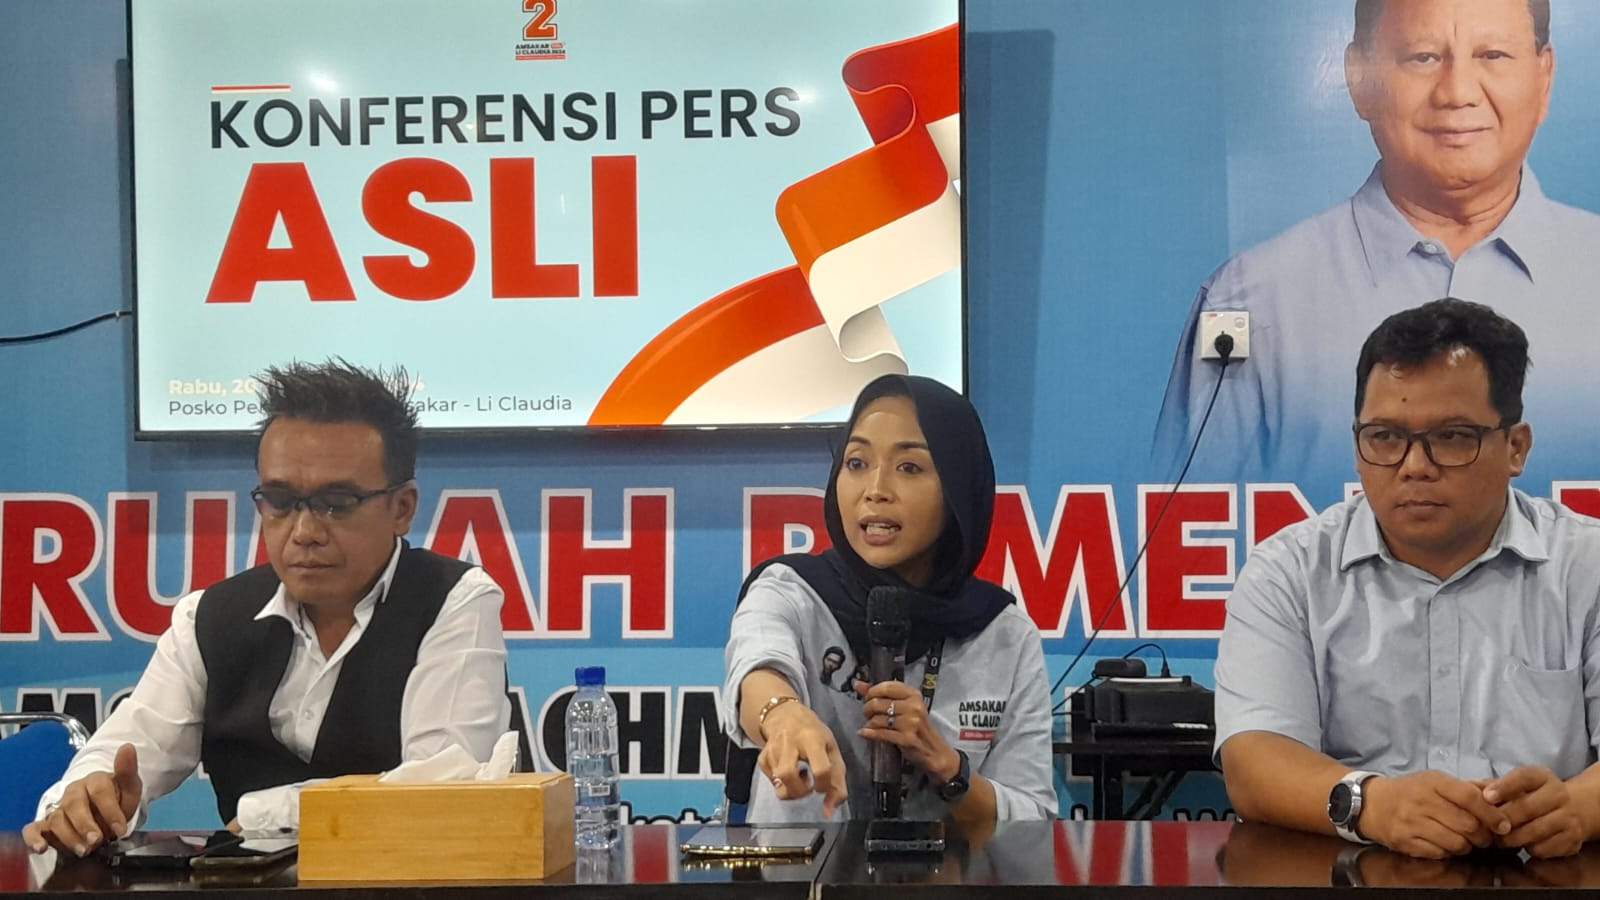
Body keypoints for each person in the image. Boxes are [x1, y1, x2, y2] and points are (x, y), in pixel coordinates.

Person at [23, 360, 511, 856]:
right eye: (279, 500)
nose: (304, 532)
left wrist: (263, 813)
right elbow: (127, 747)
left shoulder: (454, 600)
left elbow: (439, 794)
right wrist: (84, 801)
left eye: (337, 502)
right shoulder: (208, 617)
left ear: (402, 508)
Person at [1214, 298, 1600, 859]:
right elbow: (1253, 761)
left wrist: (1575, 808)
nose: (1414, 466)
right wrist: (1372, 803)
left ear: (1515, 447)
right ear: (1357, 446)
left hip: (1549, 876)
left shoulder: (1587, 565)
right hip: (1351, 876)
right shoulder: (1289, 571)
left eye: (1452, 437)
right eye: (1385, 437)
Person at [1155, 0, 1600, 481]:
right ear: (1358, 77)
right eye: (1424, 57)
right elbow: (1196, 522)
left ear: (1543, 77)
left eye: (1492, 55)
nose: (1458, 93)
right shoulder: (1253, 300)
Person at [721, 373, 1056, 826]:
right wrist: (783, 716)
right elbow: (758, 666)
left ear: (958, 488)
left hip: (950, 869)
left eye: (909, 467)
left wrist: (947, 767)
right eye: (857, 462)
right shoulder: (790, 590)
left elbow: (1034, 823)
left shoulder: (1004, 634)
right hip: (802, 869)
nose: (875, 488)